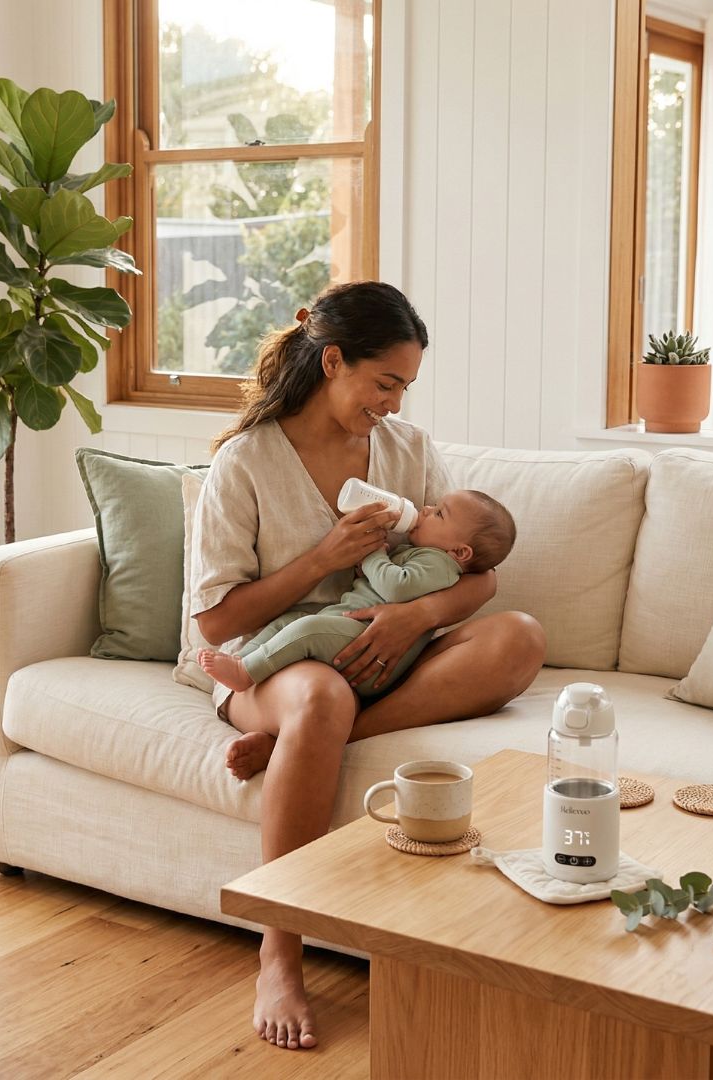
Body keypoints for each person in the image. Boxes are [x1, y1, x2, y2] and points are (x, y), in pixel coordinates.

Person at [189, 281, 545, 1053]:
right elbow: (214, 620)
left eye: (405, 387)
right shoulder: (246, 463)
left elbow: (476, 570)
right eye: (384, 383)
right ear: (333, 361)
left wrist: (415, 615)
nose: (392, 402)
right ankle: (279, 951)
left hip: (382, 653)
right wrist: (323, 558)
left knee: (518, 637)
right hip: (267, 662)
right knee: (317, 697)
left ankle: (303, 747)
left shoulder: (407, 450)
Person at [197, 489, 516, 698]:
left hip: (366, 644)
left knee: (306, 629)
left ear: (460, 552)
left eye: (439, 514)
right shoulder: (423, 552)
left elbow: (397, 585)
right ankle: (241, 658)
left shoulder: (440, 563)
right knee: (292, 620)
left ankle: (245, 672)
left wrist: (373, 553)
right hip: (348, 625)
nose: (427, 507)